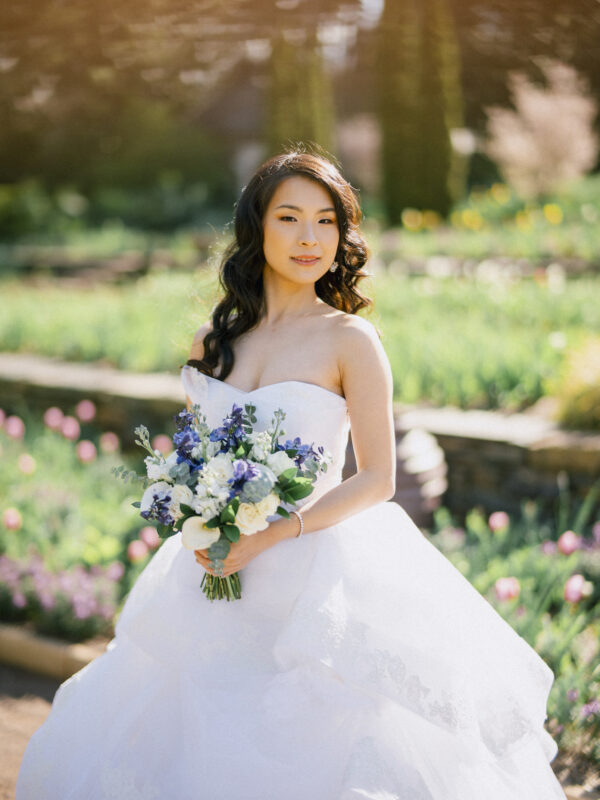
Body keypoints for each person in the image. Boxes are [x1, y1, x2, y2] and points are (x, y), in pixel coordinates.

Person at [16, 148, 567, 800]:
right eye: (290, 218)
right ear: (257, 229)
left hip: (315, 577)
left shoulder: (350, 341)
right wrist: (200, 518)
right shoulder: (212, 343)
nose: (311, 238)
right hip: (215, 578)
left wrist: (272, 534)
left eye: (327, 222)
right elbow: (199, 459)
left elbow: (378, 479)